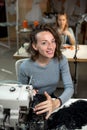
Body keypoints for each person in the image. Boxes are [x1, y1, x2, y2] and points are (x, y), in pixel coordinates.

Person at [18, 24, 74, 120]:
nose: (51, 47)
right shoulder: (25, 67)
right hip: (33, 101)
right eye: (44, 43)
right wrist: (28, 92)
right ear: (35, 46)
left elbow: (69, 88)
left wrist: (56, 103)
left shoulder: (61, 60)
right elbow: (20, 92)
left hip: (51, 98)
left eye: (53, 41)